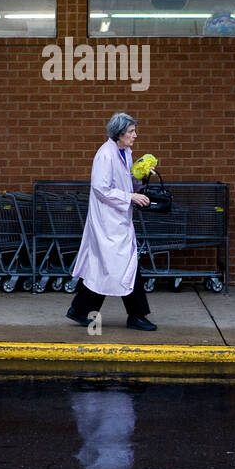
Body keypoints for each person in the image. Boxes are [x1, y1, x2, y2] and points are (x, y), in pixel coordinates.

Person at [65, 112, 157, 331]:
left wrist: (142, 177)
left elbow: (126, 184)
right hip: (107, 222)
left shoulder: (124, 153)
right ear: (119, 133)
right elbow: (101, 188)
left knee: (109, 267)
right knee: (122, 265)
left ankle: (80, 309)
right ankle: (136, 315)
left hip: (117, 221)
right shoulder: (105, 155)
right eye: (131, 132)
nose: (135, 135)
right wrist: (130, 197)